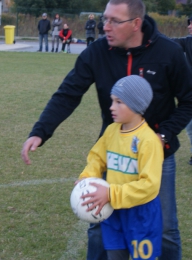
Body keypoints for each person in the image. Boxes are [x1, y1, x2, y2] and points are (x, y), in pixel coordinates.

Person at [21, 0, 192, 259]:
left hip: (156, 155)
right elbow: (68, 93)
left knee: (165, 228)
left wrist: (163, 136)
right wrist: (40, 130)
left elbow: (189, 100)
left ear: (136, 23)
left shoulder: (168, 52)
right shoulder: (97, 52)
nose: (105, 26)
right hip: (113, 154)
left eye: (114, 21)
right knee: (100, 223)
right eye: (104, 19)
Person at [79, 75, 163, 260]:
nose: (111, 107)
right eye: (112, 101)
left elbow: (150, 185)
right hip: (113, 211)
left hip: (141, 214)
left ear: (136, 105)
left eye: (119, 102)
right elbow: (97, 158)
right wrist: (87, 178)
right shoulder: (111, 131)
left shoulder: (149, 141)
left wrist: (110, 194)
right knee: (115, 256)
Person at [171, 17, 192, 165]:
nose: (189, 27)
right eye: (188, 24)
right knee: (190, 126)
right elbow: (171, 43)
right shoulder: (188, 42)